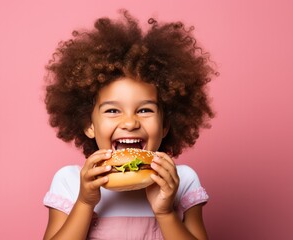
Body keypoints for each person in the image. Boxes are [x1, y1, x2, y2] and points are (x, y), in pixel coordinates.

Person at [43, 10, 216, 240]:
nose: (130, 122)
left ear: (165, 125)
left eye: (145, 110)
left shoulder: (181, 180)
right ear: (88, 124)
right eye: (113, 110)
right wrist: (85, 202)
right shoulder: (71, 181)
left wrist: (165, 213)